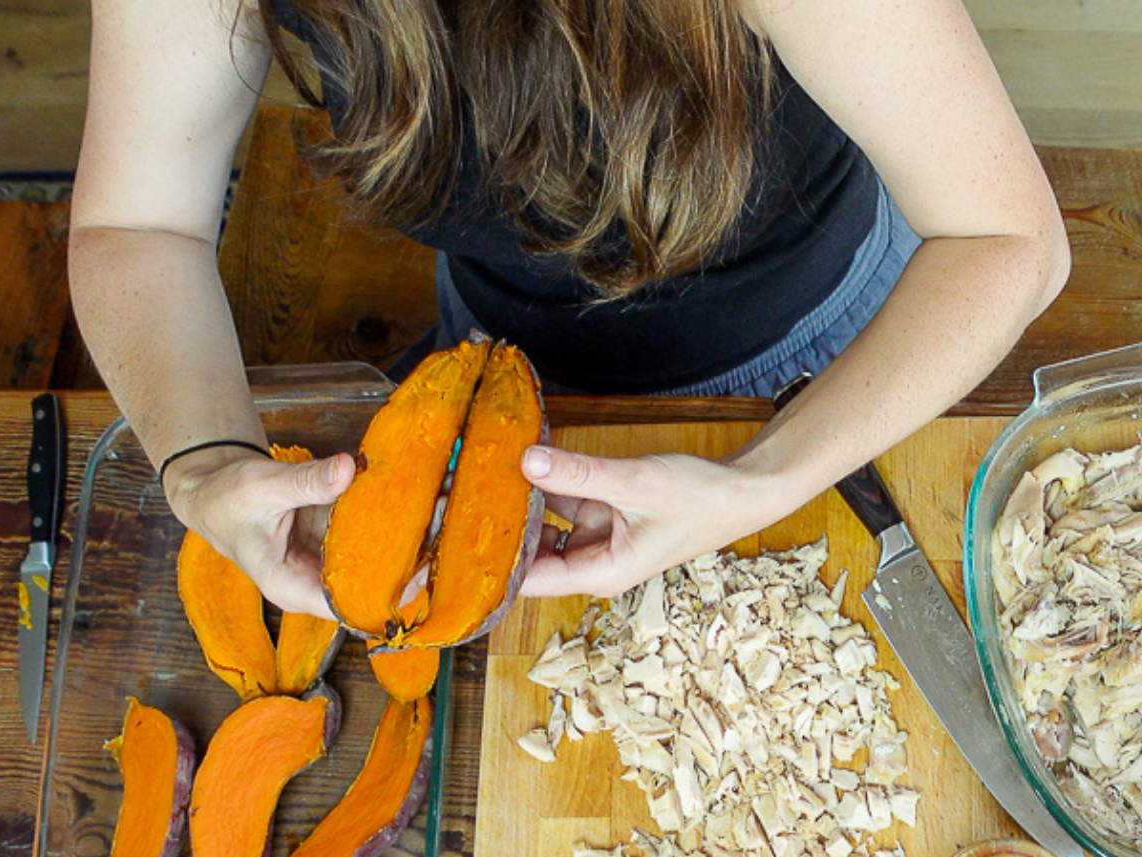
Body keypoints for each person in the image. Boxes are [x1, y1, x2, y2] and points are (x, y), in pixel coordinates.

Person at [69, 0, 1070, 620]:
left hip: (825, 366)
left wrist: (765, 481)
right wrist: (199, 461)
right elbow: (137, 228)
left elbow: (1007, 244)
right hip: (486, 362)